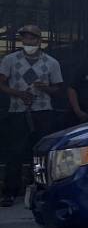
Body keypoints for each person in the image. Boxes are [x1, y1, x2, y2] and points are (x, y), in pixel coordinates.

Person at [0, 25, 63, 206]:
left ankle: (41, 189)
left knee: (41, 151)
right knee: (15, 151)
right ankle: (10, 191)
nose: (28, 42)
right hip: (18, 110)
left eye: (32, 38)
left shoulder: (51, 62)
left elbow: (58, 88)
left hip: (43, 110)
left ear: (39, 41)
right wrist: (17, 93)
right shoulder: (10, 60)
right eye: (25, 38)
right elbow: (1, 83)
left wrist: (45, 87)